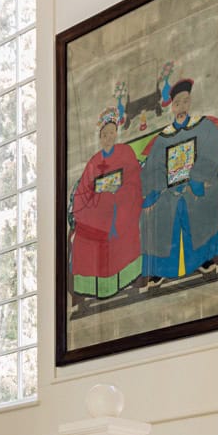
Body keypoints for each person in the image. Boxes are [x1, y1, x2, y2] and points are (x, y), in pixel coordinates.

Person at [139, 77, 218, 286]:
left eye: (185, 101)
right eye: (177, 103)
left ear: (190, 102)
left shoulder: (203, 126)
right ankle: (160, 269)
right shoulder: (163, 138)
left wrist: (197, 179)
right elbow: (152, 169)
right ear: (172, 107)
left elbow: (213, 152)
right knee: (155, 211)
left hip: (197, 182)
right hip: (168, 189)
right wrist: (157, 191)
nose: (181, 107)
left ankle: (204, 259)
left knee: (208, 197)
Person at [68, 108, 143, 307]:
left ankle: (127, 281)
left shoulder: (125, 152)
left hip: (121, 206)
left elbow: (133, 180)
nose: (108, 137)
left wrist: (117, 196)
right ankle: (93, 290)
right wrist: (97, 201)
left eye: (111, 133)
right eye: (104, 135)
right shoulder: (94, 162)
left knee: (121, 228)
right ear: (100, 138)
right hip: (98, 211)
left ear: (116, 133)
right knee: (83, 236)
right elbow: (82, 191)